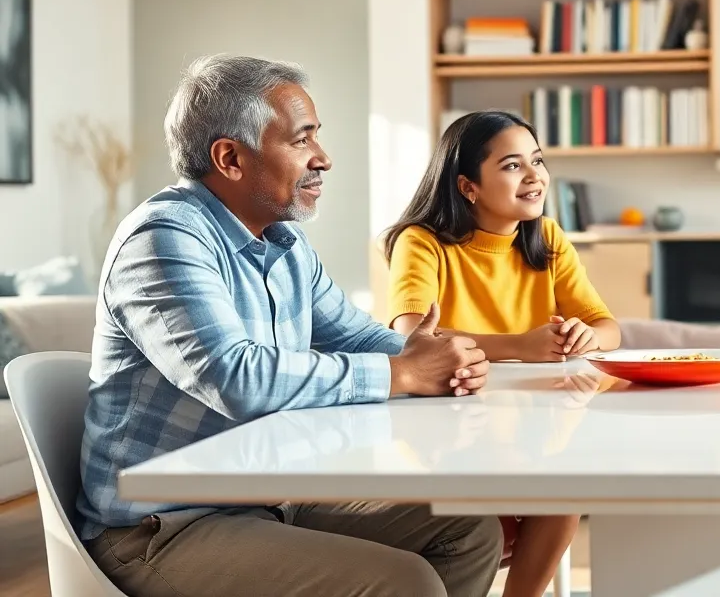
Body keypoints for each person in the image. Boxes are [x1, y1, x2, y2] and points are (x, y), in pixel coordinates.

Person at [77, 55, 503, 597]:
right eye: (302, 141)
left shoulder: (284, 241)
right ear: (230, 158)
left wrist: (438, 357)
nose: (323, 159)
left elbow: (353, 334)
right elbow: (237, 379)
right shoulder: (163, 239)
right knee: (407, 582)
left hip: (262, 498)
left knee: (467, 530)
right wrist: (404, 372)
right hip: (160, 527)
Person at [383, 109, 617, 597]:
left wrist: (584, 336)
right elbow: (408, 332)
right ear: (468, 186)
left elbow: (607, 326)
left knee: (565, 484)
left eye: (537, 160)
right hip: (447, 428)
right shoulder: (423, 242)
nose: (535, 176)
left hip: (530, 423)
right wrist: (520, 347)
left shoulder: (547, 239)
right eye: (513, 166)